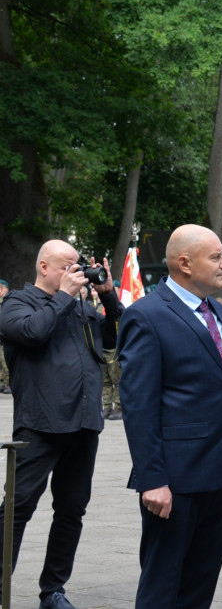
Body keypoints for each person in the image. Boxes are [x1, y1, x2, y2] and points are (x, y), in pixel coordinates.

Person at [119, 224, 222, 609]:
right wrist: (153, 480)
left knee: (200, 586)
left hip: (220, 476)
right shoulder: (147, 315)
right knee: (163, 587)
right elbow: (139, 406)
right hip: (174, 482)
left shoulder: (216, 312)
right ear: (184, 263)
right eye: (216, 257)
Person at [0, 242, 118, 609]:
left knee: (71, 510)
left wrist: (108, 297)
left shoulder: (83, 308)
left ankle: (53, 590)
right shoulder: (16, 304)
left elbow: (116, 338)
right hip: (40, 425)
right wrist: (65, 297)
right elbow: (33, 333)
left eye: (79, 267)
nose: (76, 273)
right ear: (44, 266)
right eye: (68, 267)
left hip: (83, 425)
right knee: (16, 509)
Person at [0, 278, 10, 394]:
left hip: (6, 336)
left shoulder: (9, 300)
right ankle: (2, 383)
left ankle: (7, 384)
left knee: (5, 360)